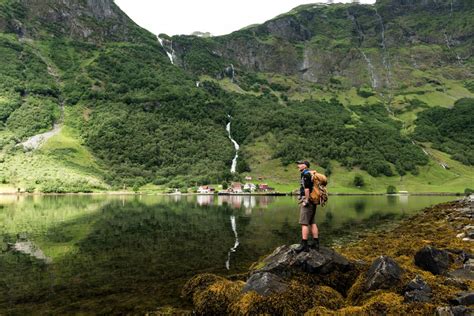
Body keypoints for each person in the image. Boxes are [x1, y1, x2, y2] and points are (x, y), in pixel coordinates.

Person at [295, 160, 319, 252]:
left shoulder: (305, 175)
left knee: (304, 223)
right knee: (312, 222)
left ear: (305, 166)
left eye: (300, 164)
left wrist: (306, 200)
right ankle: (316, 243)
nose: (298, 165)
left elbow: (307, 189)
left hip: (308, 201)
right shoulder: (310, 174)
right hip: (314, 200)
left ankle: (304, 245)